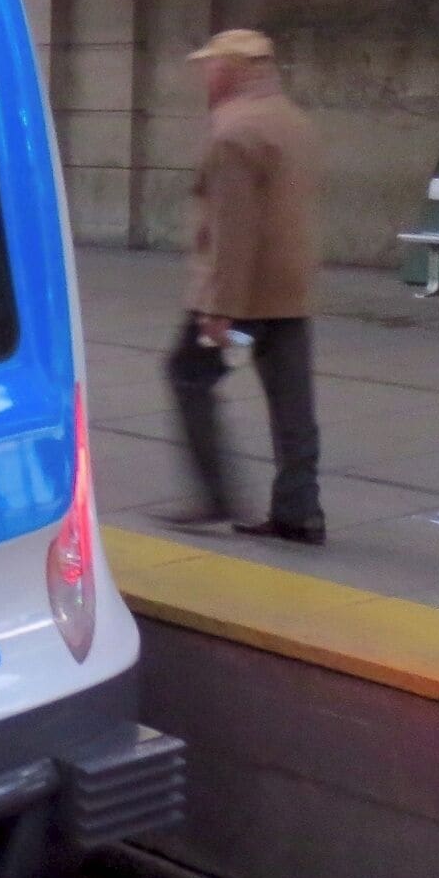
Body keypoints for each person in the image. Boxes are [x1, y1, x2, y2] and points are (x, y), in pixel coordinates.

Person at [159, 29, 326, 545]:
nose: (204, 77)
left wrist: (220, 309)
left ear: (231, 71)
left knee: (189, 373)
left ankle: (215, 495)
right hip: (289, 294)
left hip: (242, 301)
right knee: (291, 401)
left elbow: (234, 228)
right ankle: (300, 513)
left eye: (210, 67)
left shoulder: (234, 133)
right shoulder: (294, 123)